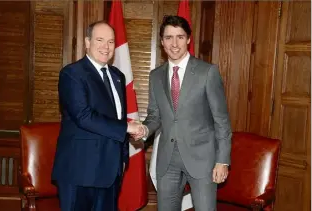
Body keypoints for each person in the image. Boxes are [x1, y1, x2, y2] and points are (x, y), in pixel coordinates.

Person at [134, 16, 232, 211]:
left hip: (202, 160)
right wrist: (145, 129)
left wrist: (222, 161)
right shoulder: (156, 75)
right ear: (162, 42)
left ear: (188, 39)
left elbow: (222, 120)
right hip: (167, 159)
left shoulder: (207, 72)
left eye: (180, 37)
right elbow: (155, 115)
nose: (174, 43)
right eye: (169, 37)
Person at [51, 21, 143, 211]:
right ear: (87, 42)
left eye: (110, 42)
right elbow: (83, 116)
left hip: (111, 172)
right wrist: (127, 127)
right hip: (80, 171)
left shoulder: (118, 76)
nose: (106, 47)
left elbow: (118, 117)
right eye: (100, 40)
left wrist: (123, 157)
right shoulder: (72, 73)